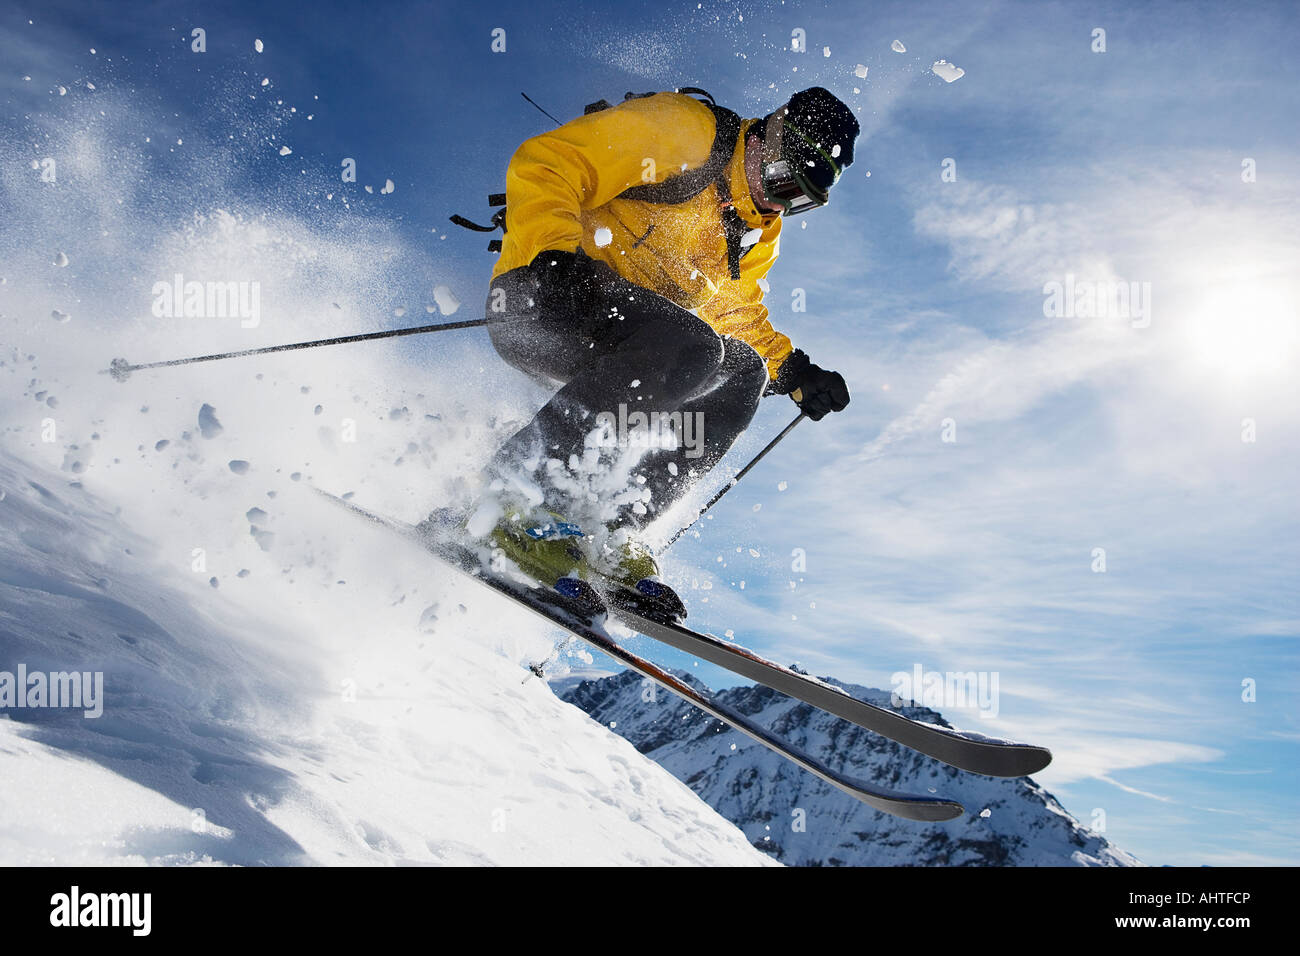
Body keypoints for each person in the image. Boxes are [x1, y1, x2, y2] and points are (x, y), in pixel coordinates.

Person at [469, 86, 857, 618]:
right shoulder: (686, 132)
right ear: (768, 134)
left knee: (743, 370)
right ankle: (514, 494)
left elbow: (737, 311)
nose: (779, 202)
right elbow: (549, 160)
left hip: (628, 341)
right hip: (541, 296)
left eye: (800, 200)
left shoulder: (756, 233)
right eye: (783, 181)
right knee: (695, 348)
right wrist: (552, 257)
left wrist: (794, 371)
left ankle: (610, 525)